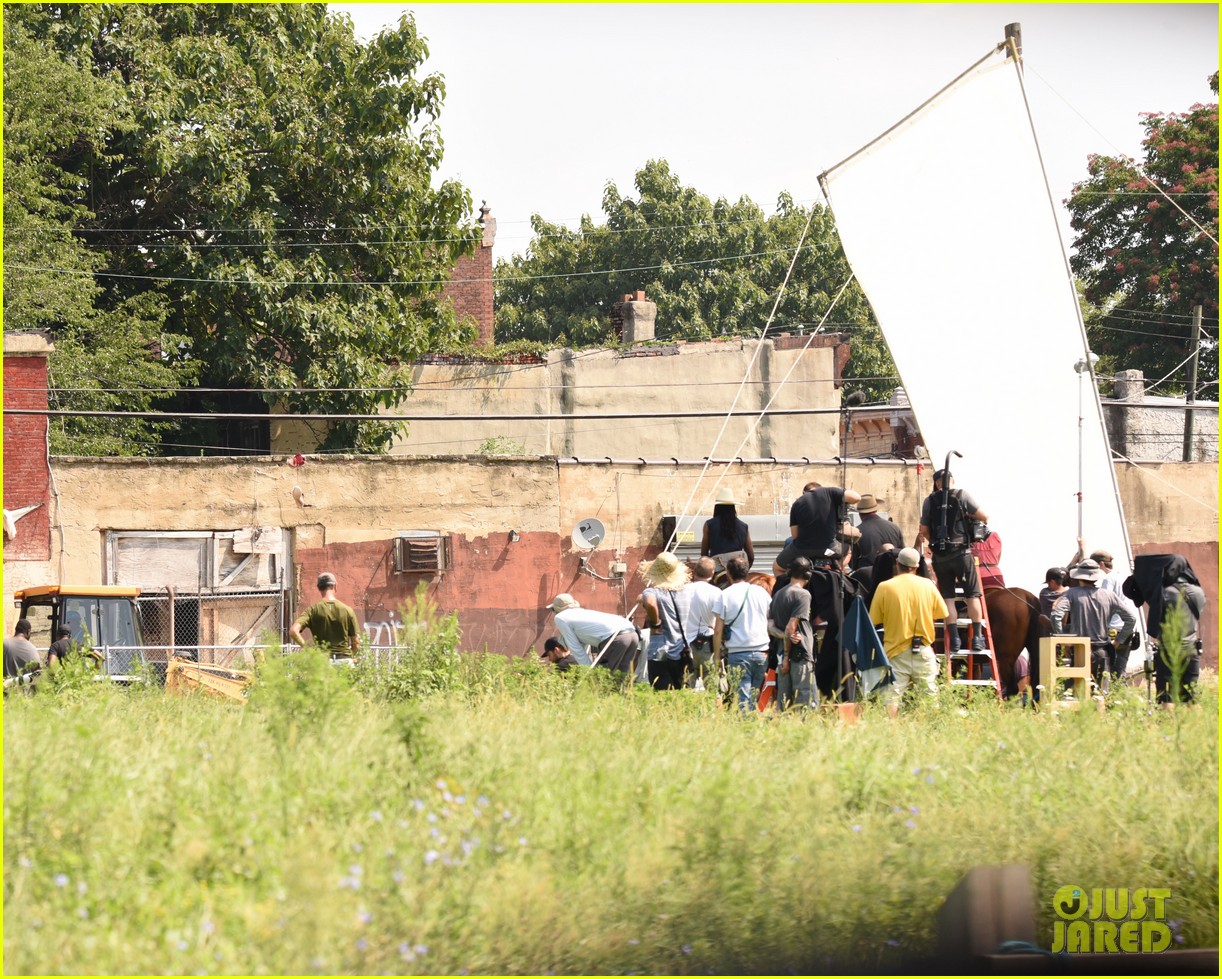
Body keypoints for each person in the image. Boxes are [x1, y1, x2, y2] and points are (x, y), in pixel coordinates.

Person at [869, 547, 948, 718]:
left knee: (891, 699)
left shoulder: (885, 587)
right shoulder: (928, 585)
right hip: (924, 649)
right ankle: (934, 733)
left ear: (897, 564)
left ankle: (892, 734)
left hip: (896, 652)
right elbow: (942, 613)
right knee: (930, 698)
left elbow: (874, 619)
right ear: (917, 566)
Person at [917, 468, 989, 652]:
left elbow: (923, 529)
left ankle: (955, 638)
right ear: (952, 480)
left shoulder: (929, 500)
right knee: (972, 595)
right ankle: (978, 638)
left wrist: (935, 541)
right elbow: (984, 516)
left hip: (941, 556)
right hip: (961, 553)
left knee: (948, 597)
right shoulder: (962, 495)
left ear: (937, 483)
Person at [1051, 559, 1137, 694]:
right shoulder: (1108, 595)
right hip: (1102, 650)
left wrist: (1063, 641)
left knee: (1078, 693)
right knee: (1101, 694)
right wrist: (1118, 641)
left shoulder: (1072, 594)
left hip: (1079, 649)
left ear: (1079, 577)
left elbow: (1056, 616)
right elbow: (1131, 619)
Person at [713, 556, 773, 711]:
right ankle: (752, 727)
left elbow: (718, 629)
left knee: (742, 695)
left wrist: (717, 655)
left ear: (728, 574)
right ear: (747, 572)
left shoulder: (724, 595)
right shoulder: (761, 592)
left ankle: (745, 728)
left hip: (738, 653)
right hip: (761, 652)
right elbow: (770, 618)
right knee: (754, 694)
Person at [774, 480, 861, 574]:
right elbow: (856, 498)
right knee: (848, 551)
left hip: (802, 550)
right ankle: (837, 570)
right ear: (821, 488)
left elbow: (795, 535)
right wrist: (840, 492)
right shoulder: (830, 492)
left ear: (804, 493)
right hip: (830, 548)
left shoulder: (797, 503)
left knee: (777, 568)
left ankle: (788, 587)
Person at [1153, 555, 1207, 707]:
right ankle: (1193, 728)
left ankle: (1167, 726)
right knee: (1191, 695)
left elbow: (1156, 617)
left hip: (1168, 648)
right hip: (1191, 648)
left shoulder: (1164, 592)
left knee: (1166, 694)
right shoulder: (1198, 592)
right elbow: (1199, 612)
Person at [639, 552, 693, 691]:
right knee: (682, 694)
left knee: (661, 696)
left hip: (660, 651)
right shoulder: (688, 592)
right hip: (683, 651)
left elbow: (650, 603)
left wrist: (656, 623)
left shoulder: (652, 592)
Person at [547, 594, 639, 674]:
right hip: (632, 634)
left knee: (603, 678)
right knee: (621, 678)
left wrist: (589, 670)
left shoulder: (560, 618)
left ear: (557, 609)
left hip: (615, 639)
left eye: (553, 609)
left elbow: (576, 648)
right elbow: (583, 644)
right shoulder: (580, 614)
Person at [769, 557, 817, 711]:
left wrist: (784, 641)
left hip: (782, 655)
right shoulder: (803, 595)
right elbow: (791, 627)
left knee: (785, 703)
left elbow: (770, 627)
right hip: (799, 655)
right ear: (808, 574)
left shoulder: (778, 595)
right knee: (805, 700)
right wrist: (787, 657)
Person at [289, 571, 361, 659]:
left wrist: (308, 648)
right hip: (344, 660)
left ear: (319, 588)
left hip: (322, 662)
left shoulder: (312, 610)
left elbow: (293, 631)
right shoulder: (348, 610)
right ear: (335, 586)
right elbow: (356, 643)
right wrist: (352, 656)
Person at [701, 488, 755, 581]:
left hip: (717, 570)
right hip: (739, 570)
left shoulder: (709, 525)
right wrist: (744, 571)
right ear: (733, 507)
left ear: (717, 507)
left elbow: (704, 554)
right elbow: (751, 556)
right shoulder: (744, 526)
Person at [684, 557, 722, 688]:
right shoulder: (716, 592)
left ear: (694, 571)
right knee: (712, 687)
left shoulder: (682, 590)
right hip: (707, 644)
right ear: (712, 573)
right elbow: (720, 623)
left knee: (686, 688)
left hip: (685, 645)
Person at [851, 495, 904, 571]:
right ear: (875, 510)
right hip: (892, 573)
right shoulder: (894, 527)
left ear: (860, 513)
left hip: (868, 577)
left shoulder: (857, 531)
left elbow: (853, 562)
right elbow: (902, 553)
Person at [1038, 567, 1069, 632]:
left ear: (1052, 582)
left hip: (1048, 635)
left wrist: (1048, 622)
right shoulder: (1069, 596)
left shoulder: (1044, 593)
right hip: (1064, 635)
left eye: (1048, 583)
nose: (1048, 586)